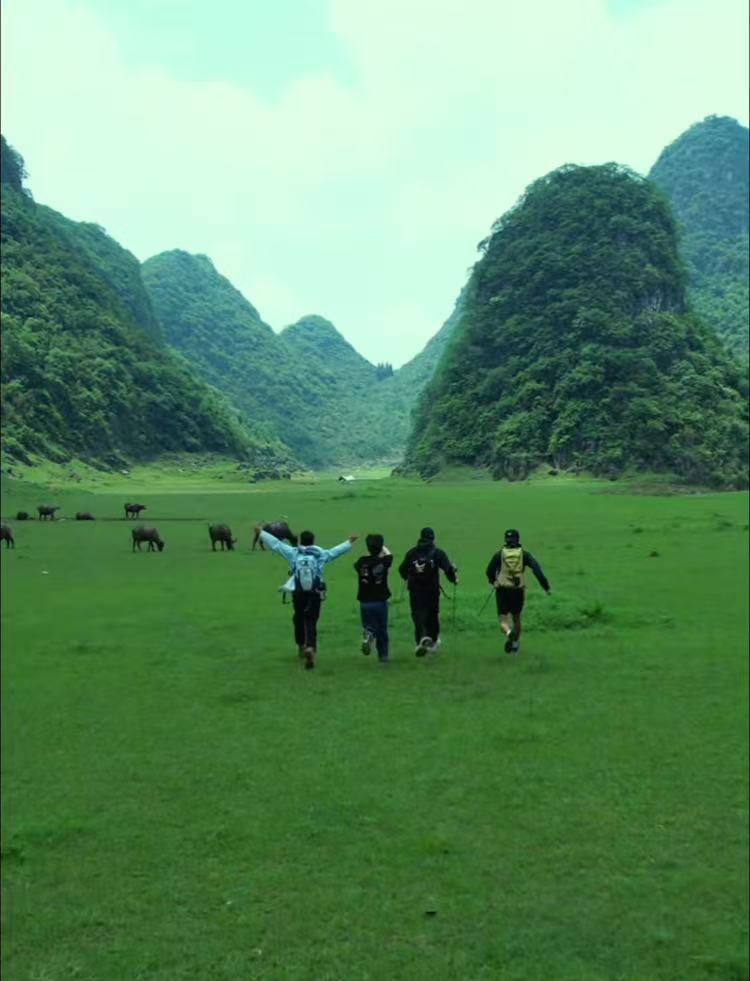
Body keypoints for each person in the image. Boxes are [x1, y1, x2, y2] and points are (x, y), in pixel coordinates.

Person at [256, 524, 358, 670]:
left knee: (298, 617)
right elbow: (335, 552)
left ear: (300, 541)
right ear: (313, 541)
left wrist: (262, 533)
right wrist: (349, 542)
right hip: (315, 592)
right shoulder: (320, 554)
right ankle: (311, 647)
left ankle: (301, 645)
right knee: (311, 620)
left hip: (298, 593)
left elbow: (277, 545)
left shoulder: (294, 553)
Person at [485, 528, 551, 655]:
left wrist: (493, 581)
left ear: (505, 540)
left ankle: (508, 633)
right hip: (517, 591)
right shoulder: (525, 554)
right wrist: (546, 586)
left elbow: (489, 571)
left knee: (503, 621)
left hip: (502, 590)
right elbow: (537, 570)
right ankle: (515, 645)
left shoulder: (499, 554)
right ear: (518, 539)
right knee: (516, 618)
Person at [398, 527, 458, 656]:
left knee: (418, 614)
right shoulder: (437, 553)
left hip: (415, 590)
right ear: (433, 538)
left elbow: (402, 570)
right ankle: (433, 640)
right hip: (431, 590)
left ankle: (421, 639)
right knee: (432, 614)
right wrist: (454, 579)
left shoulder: (412, 553)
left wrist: (409, 576)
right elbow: (448, 569)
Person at [354, 534, 393, 663]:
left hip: (365, 602)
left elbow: (356, 566)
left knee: (368, 626)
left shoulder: (361, 562)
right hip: (380, 601)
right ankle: (383, 655)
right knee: (382, 629)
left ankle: (369, 634)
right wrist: (382, 548)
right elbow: (389, 555)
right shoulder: (384, 562)